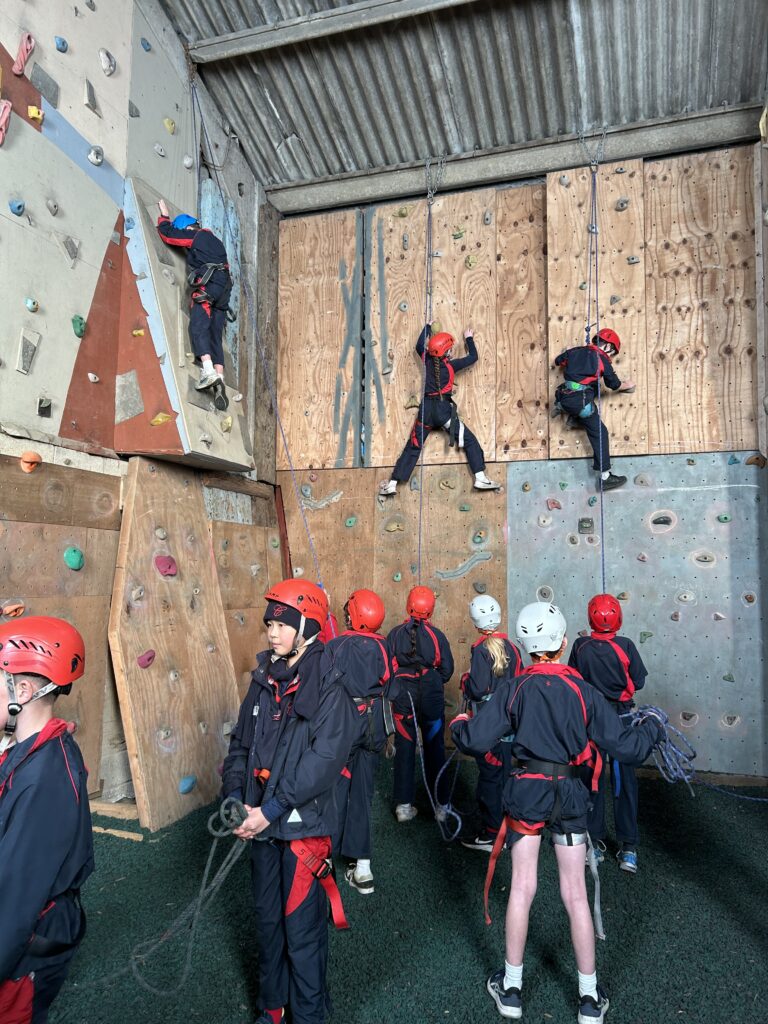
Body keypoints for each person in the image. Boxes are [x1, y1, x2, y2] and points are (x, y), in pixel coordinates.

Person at [451, 602, 662, 1024]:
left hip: (527, 794)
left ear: (526, 649)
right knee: (575, 894)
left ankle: (511, 988)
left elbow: (474, 739)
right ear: (564, 643)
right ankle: (588, 998)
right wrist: (653, 726)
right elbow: (627, 747)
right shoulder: (583, 691)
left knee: (522, 888)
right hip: (569, 794)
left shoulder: (514, 688)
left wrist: (459, 723)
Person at [221, 580, 359, 1024]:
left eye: (283, 623)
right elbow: (240, 746)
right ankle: (273, 1009)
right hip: (261, 823)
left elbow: (322, 763)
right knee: (268, 924)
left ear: (308, 626)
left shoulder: (330, 687)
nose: (272, 632)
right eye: (269, 624)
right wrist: (236, 802)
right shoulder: (263, 682)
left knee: (302, 931)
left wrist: (270, 810)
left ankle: (310, 1016)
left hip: (303, 829)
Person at [0, 616, 94, 1024]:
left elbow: (14, 906)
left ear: (21, 692)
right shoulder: (25, 750)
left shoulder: (45, 781)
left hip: (22, 945)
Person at [568, 594, 648, 873]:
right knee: (624, 782)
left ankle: (595, 844)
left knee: (592, 780)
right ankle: (628, 849)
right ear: (619, 618)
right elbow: (637, 682)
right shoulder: (626, 646)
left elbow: (574, 680)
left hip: (591, 720)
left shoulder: (580, 646)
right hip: (622, 720)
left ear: (590, 618)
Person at [323, 589, 390, 895]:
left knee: (332, 786)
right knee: (363, 790)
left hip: (344, 722)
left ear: (353, 615)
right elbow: (389, 682)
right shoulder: (385, 646)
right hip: (373, 725)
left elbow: (325, 682)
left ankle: (324, 855)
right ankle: (362, 868)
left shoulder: (336, 645)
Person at [379, 324, 499, 495]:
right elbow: (473, 357)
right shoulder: (452, 366)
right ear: (447, 352)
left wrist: (427, 327)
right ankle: (480, 478)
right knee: (469, 441)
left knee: (413, 446)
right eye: (450, 349)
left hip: (426, 411)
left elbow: (419, 346)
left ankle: (392, 484)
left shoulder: (427, 360)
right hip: (443, 411)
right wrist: (469, 338)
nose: (451, 352)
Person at [460, 595, 523, 853]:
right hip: (511, 724)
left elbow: (476, 689)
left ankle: (490, 833)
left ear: (476, 623)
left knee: (489, 777)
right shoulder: (514, 648)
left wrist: (465, 681)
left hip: (488, 723)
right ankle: (509, 829)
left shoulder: (482, 650)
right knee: (505, 775)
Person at [156, 198, 233, 411]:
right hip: (225, 288)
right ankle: (220, 377)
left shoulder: (196, 236)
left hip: (212, 284)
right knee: (215, 332)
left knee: (198, 323)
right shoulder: (215, 241)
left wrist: (164, 216)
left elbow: (169, 235)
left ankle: (207, 371)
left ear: (188, 228)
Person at [386, 586, 454, 822]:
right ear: (431, 610)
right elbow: (447, 670)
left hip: (404, 693)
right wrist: (431, 679)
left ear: (408, 605)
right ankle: (442, 807)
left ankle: (403, 806)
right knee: (435, 747)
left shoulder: (395, 634)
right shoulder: (438, 636)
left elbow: (386, 669)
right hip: (431, 692)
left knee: (405, 747)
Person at [553, 328, 635, 492]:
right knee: (600, 432)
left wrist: (572, 356)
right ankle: (605, 477)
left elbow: (558, 361)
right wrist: (628, 385)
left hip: (564, 394)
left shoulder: (575, 351)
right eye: (612, 352)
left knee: (590, 410)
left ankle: (567, 412)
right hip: (580, 401)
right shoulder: (602, 360)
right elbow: (614, 385)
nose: (611, 356)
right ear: (608, 346)